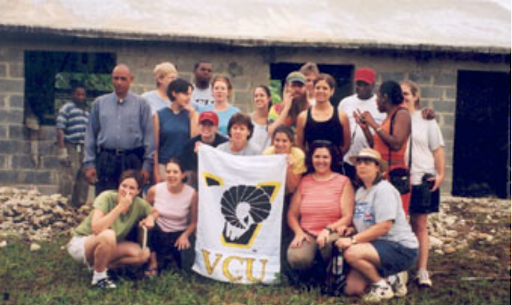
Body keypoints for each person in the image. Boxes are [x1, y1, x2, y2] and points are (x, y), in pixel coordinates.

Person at [337, 148, 418, 302]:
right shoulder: (361, 191)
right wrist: (350, 229)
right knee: (352, 289)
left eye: (367, 162)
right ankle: (393, 278)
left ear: (378, 168)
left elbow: (384, 226)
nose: (361, 165)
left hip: (400, 247)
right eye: (359, 162)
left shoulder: (384, 190)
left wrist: (353, 240)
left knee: (351, 253)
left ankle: (382, 286)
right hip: (376, 245)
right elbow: (366, 222)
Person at [67, 170, 159, 289]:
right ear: (118, 186)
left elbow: (155, 211)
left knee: (142, 254)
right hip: (82, 243)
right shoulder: (106, 197)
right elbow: (96, 228)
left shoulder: (139, 204)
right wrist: (120, 207)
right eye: (123, 186)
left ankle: (99, 266)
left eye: (132, 188)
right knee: (108, 235)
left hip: (107, 244)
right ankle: (99, 279)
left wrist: (151, 217)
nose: (126, 191)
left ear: (138, 191)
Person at [85, 64, 155, 196]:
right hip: (106, 159)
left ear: (131, 79)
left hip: (132, 159)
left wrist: (147, 166)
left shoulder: (142, 104)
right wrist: (89, 163)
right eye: (115, 78)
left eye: (123, 79)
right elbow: (90, 134)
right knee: (105, 200)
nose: (119, 82)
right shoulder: (99, 103)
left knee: (131, 201)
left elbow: (149, 136)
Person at [402, 80, 446, 287]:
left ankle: (422, 270)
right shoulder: (394, 118)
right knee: (399, 224)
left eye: (407, 94)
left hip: (421, 178)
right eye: (400, 94)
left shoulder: (427, 120)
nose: (404, 97)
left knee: (420, 224)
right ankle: (400, 270)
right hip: (399, 179)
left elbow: (437, 149)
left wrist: (441, 174)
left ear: (415, 96)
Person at [287, 140, 354, 273]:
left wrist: (328, 230)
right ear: (311, 158)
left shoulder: (343, 181)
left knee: (330, 245)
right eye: (317, 156)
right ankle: (310, 273)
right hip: (308, 233)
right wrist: (298, 232)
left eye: (325, 157)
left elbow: (347, 216)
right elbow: (291, 214)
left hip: (333, 232)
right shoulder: (304, 181)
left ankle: (329, 275)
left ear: (331, 159)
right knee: (297, 258)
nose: (320, 161)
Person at [355, 81, 412, 213]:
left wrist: (374, 124)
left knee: (393, 215)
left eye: (378, 98)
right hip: (382, 171)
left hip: (394, 172)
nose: (376, 102)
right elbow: (377, 146)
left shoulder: (402, 114)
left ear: (385, 97)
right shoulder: (388, 117)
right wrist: (365, 129)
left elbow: (396, 144)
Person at [145, 159, 198, 275]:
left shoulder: (192, 194)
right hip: (158, 232)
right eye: (168, 172)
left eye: (175, 172)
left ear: (183, 174)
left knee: (183, 268)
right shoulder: (155, 190)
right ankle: (152, 263)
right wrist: (150, 218)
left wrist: (185, 235)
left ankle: (168, 261)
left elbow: (194, 222)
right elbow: (144, 210)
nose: (171, 175)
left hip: (178, 234)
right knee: (148, 229)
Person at [338, 68, 386, 182]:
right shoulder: (346, 102)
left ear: (373, 85)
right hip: (347, 160)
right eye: (359, 84)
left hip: (370, 160)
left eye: (366, 84)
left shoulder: (379, 104)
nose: (361, 87)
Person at [296, 73, 351, 165]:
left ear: (332, 91)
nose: (321, 91)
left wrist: (333, 159)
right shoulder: (303, 117)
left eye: (325, 88)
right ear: (313, 90)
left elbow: (346, 145)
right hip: (311, 167)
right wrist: (312, 160)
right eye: (317, 88)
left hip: (335, 166)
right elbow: (300, 145)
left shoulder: (342, 116)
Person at [153, 78, 198, 183]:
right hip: (164, 167)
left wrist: (193, 116)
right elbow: (155, 147)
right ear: (174, 93)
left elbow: (194, 140)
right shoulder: (159, 115)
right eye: (186, 94)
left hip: (185, 169)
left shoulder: (192, 114)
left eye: (190, 94)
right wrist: (156, 173)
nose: (189, 98)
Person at [56, 84, 89, 208]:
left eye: (83, 95)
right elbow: (60, 129)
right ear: (73, 95)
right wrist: (62, 149)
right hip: (71, 145)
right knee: (69, 175)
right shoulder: (67, 108)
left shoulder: (86, 111)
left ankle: (79, 205)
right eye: (78, 94)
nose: (81, 97)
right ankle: (63, 203)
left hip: (83, 147)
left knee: (83, 176)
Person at [179, 111, 228, 188]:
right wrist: (196, 155)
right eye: (203, 124)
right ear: (198, 125)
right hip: (196, 180)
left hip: (218, 178)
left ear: (216, 127)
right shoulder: (189, 145)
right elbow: (188, 169)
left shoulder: (225, 144)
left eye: (210, 125)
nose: (206, 127)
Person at [263, 125, 306, 194]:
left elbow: (293, 188)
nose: (280, 144)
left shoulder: (298, 155)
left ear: (291, 142)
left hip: (291, 193)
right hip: (273, 189)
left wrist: (289, 168)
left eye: (284, 141)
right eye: (277, 140)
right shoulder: (267, 153)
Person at [249, 85, 272, 153]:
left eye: (262, 95)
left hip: (268, 159)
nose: (258, 98)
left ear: (269, 98)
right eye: (256, 96)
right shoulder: (248, 119)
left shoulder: (274, 119)